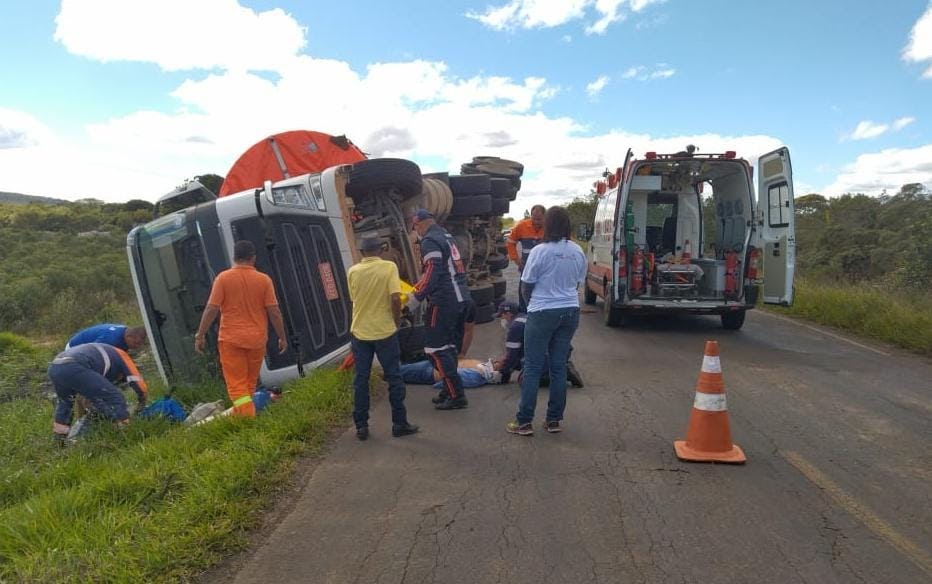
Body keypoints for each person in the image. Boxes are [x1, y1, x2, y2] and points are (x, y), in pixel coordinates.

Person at [507, 207, 587, 436]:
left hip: (542, 311)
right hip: (570, 311)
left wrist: (532, 305)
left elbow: (526, 284)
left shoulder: (540, 251)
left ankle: (523, 422)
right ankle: (553, 420)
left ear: (548, 225)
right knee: (558, 367)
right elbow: (577, 284)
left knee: (532, 366)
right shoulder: (577, 251)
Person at [194, 240, 287, 418]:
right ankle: (244, 416)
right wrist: (282, 337)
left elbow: (212, 308)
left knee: (237, 386)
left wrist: (201, 334)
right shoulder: (264, 280)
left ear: (234, 257)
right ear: (253, 258)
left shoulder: (223, 278)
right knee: (248, 385)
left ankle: (247, 423)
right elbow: (274, 312)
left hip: (231, 340)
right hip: (257, 341)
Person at [346, 236, 418, 441]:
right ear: (380, 250)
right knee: (394, 377)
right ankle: (399, 424)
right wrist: (396, 321)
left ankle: (361, 426)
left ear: (362, 253)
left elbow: (354, 299)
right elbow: (396, 297)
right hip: (385, 331)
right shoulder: (389, 267)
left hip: (360, 332)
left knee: (361, 379)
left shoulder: (353, 271)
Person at [409, 209, 469, 410]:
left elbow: (433, 271)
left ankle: (456, 395)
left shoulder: (429, 241)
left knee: (435, 350)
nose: (415, 230)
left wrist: (415, 298)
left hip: (444, 300)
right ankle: (448, 388)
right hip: (461, 297)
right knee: (450, 347)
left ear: (421, 224)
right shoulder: (446, 236)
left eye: (415, 226)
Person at [47, 342, 149, 443]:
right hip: (74, 365)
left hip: (55, 366)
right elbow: (136, 380)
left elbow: (92, 396)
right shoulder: (122, 356)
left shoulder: (102, 359)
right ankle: (125, 434)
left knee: (65, 403)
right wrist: (142, 399)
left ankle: (59, 439)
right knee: (115, 398)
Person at [493, 300, 584, 387]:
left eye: (502, 316)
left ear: (509, 314)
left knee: (526, 380)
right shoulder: (525, 317)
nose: (502, 319)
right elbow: (518, 355)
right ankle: (557, 366)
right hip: (560, 350)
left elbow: (512, 355)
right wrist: (505, 363)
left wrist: (502, 370)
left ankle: (563, 372)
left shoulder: (515, 327)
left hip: (549, 353)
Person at [506, 204, 546, 312]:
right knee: (524, 289)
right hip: (526, 265)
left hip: (545, 267)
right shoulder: (521, 226)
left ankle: (541, 310)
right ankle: (524, 312)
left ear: (544, 218)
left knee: (543, 289)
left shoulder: (549, 227)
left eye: (539, 219)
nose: (536, 222)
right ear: (530, 216)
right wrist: (516, 259)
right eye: (534, 218)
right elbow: (510, 242)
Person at [399, 357, 501, 389]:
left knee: (396, 372)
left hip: (430, 372)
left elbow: (455, 379)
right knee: (401, 369)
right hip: (434, 365)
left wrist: (439, 384)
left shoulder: (479, 375)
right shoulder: (482, 367)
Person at [66, 324, 147, 352]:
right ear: (129, 337)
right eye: (136, 343)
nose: (137, 346)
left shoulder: (126, 331)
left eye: (140, 344)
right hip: (74, 348)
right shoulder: (110, 340)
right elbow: (92, 351)